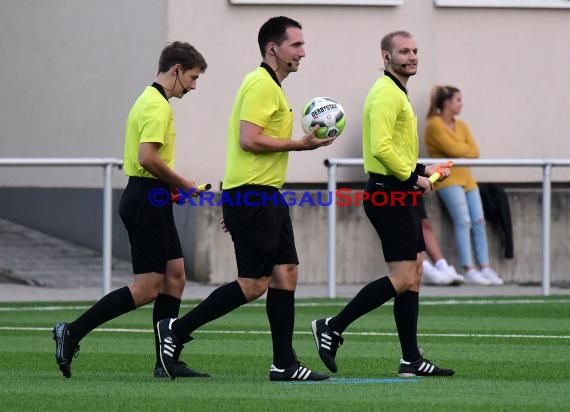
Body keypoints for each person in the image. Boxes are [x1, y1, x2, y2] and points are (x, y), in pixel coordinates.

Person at [156, 16, 334, 381]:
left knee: (286, 273)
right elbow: (247, 139)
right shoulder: (260, 84)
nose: (304, 52)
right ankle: (175, 330)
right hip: (253, 195)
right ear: (273, 48)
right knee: (254, 283)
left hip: (264, 193)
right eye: (296, 45)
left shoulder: (272, 86)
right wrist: (300, 144)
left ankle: (284, 364)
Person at [53, 42, 210, 379]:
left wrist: (169, 190)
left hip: (150, 194)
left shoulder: (152, 100)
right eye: (193, 78)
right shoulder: (157, 106)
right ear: (176, 70)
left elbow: (149, 163)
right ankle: (72, 331)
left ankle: (165, 361)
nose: (194, 86)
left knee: (175, 277)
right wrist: (182, 184)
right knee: (146, 288)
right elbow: (147, 158)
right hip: (144, 197)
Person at [311, 31, 455, 378]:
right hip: (387, 192)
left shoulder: (397, 92)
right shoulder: (385, 93)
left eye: (416, 51)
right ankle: (332, 326)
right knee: (404, 275)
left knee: (415, 274)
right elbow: (379, 148)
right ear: (386, 57)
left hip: (397, 189)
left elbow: (396, 150)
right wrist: (412, 177)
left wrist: (423, 170)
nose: (412, 56)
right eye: (404, 51)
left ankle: (410, 359)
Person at [424, 85, 504, 286]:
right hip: (447, 179)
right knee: (464, 221)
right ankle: (468, 268)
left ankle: (484, 267)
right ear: (447, 103)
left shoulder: (462, 126)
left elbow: (474, 151)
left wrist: (461, 151)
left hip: (467, 178)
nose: (461, 104)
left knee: (479, 221)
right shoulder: (434, 124)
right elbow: (451, 148)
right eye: (458, 100)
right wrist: (462, 150)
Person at [417, 196, 465, 286]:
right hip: (395, 188)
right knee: (407, 224)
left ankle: (442, 266)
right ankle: (424, 267)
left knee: (423, 222)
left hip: (412, 187)